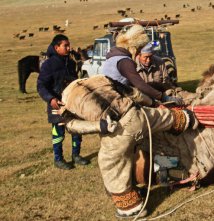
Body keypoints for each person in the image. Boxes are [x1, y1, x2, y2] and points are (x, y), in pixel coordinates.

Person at [58, 75, 198, 218]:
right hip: (137, 115)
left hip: (117, 132)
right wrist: (153, 103)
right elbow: (133, 93)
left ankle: (131, 207)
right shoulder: (100, 78)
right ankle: (185, 119)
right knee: (163, 117)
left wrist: (99, 126)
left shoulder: (67, 101)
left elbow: (72, 125)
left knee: (109, 163)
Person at [37, 34, 90, 170]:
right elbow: (41, 85)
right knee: (58, 132)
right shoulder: (48, 64)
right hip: (57, 103)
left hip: (73, 103)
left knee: (76, 129)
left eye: (69, 45)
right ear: (56, 47)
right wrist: (50, 99)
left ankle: (76, 155)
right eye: (65, 45)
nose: (69, 48)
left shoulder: (71, 63)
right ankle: (58, 159)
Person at [102, 24, 183, 105]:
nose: (138, 53)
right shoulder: (124, 61)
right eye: (139, 50)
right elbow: (140, 85)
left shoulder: (114, 57)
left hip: (108, 97)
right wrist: (163, 97)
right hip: (114, 101)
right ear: (134, 48)